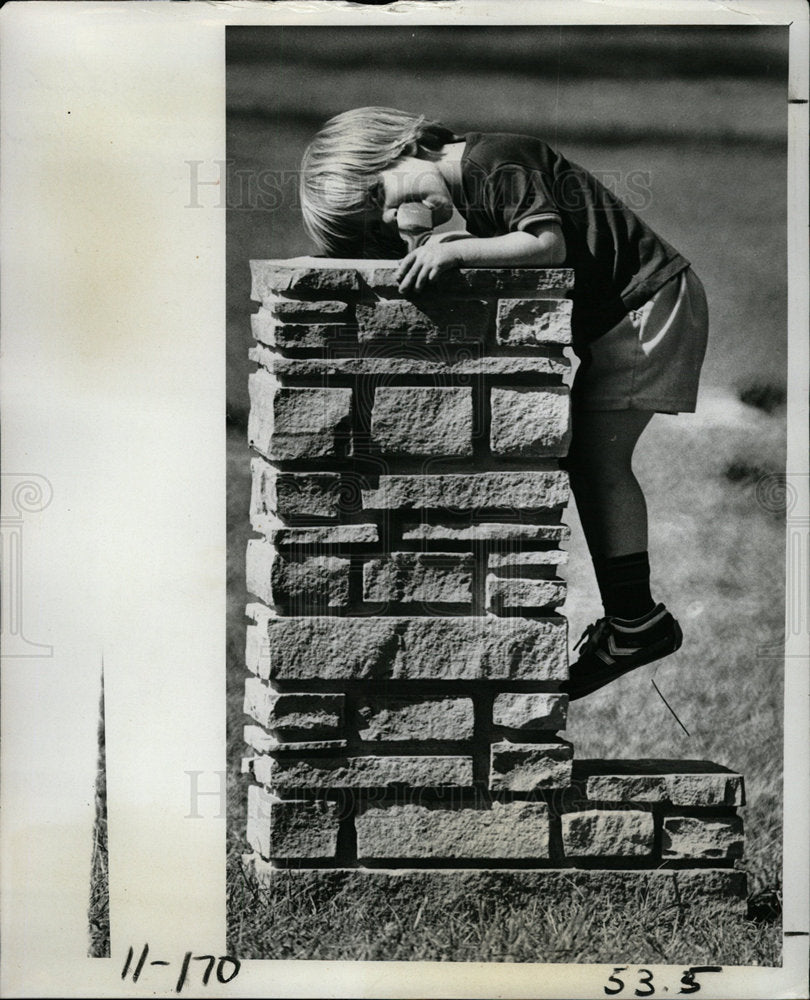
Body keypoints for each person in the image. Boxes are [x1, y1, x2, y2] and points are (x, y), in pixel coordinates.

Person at [299, 107, 709, 701]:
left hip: (645, 306)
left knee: (598, 465)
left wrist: (457, 253)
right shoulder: (473, 180)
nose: (397, 222)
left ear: (407, 146)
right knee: (589, 466)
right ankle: (632, 622)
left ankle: (636, 626)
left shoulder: (498, 160)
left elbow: (545, 245)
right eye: (382, 229)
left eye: (384, 199)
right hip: (624, 318)